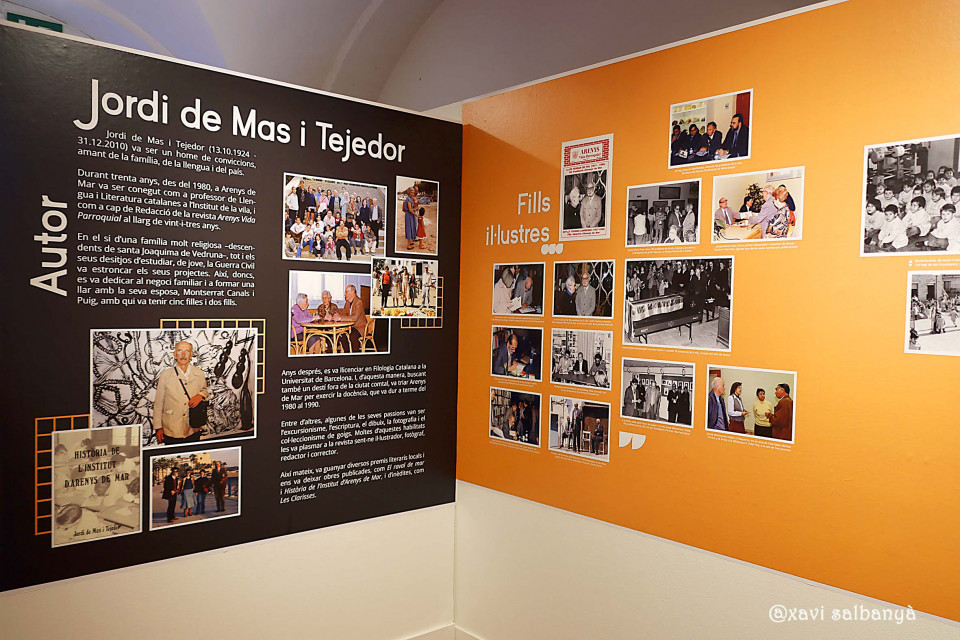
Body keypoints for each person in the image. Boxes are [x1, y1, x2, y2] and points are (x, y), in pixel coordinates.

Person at [153, 341, 208, 445]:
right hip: (171, 428)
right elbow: (158, 403)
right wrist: (158, 428)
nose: (183, 355)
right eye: (179, 351)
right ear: (175, 354)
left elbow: (205, 390)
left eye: (187, 351)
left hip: (192, 428)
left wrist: (200, 396)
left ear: (191, 355)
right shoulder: (165, 375)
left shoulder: (199, 374)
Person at [333, 284, 367, 352]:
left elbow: (355, 318)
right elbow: (343, 314)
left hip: (360, 327)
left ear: (352, 292)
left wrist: (340, 318)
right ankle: (347, 353)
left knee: (352, 336)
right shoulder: (347, 303)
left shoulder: (358, 302)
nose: (345, 294)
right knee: (341, 335)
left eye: (346, 292)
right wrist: (337, 315)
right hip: (350, 327)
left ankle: (355, 355)